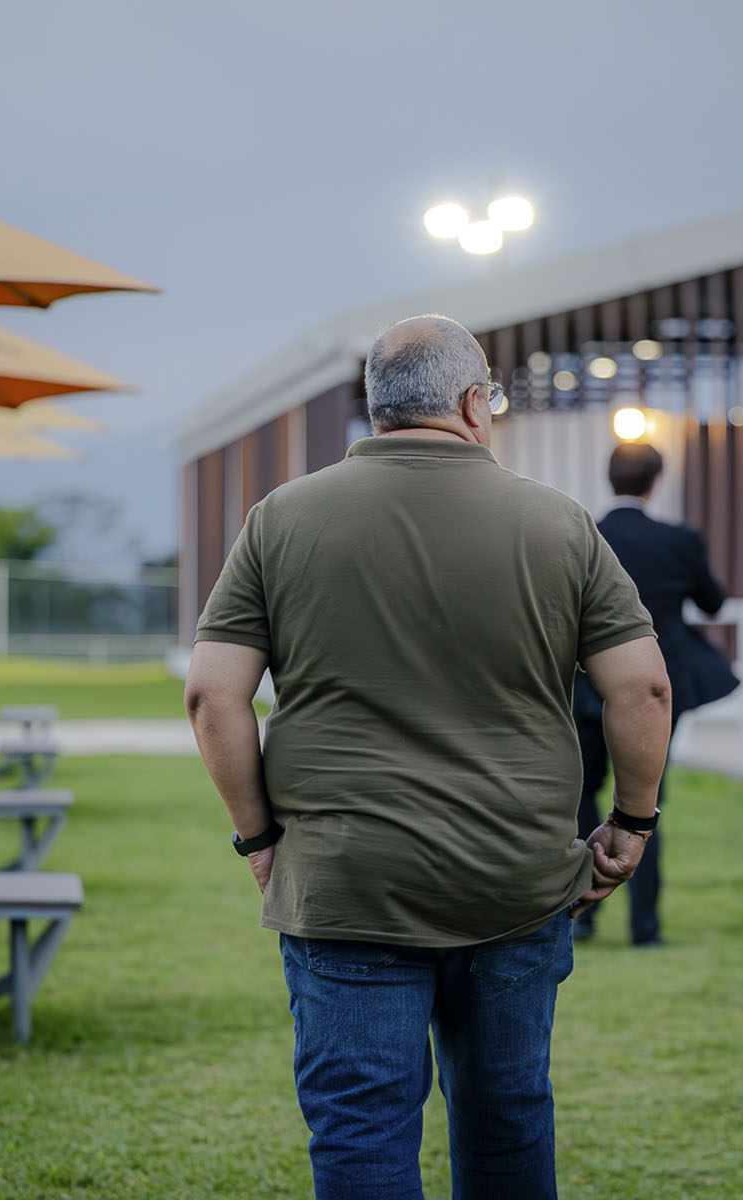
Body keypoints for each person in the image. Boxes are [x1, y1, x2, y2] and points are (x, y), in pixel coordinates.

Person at [184, 313, 673, 1199]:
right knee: (505, 1119)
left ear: (378, 408)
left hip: (345, 879)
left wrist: (258, 840)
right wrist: (633, 824)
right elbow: (642, 689)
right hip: (514, 877)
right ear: (471, 403)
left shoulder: (281, 519)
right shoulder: (558, 523)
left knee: (360, 1130)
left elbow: (213, 696)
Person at [571, 441, 736, 946]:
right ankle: (646, 927)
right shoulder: (679, 540)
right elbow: (713, 601)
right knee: (645, 801)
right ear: (654, 482)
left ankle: (583, 913)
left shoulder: (583, 534)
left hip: (585, 683)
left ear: (609, 477)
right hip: (656, 682)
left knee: (582, 793)